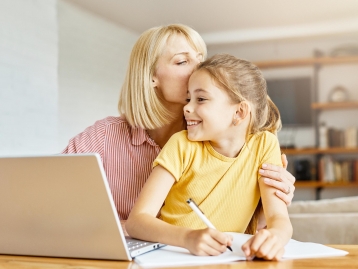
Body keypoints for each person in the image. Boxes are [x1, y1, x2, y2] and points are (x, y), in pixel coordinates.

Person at [62, 24, 295, 227]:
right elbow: (50, 193)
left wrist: (276, 196)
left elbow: (251, 221)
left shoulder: (226, 134)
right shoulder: (104, 136)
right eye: (183, 61)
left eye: (200, 59)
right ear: (151, 76)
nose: (198, 69)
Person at [126, 54, 292, 260]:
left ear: (239, 112)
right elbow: (137, 221)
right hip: (173, 258)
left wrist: (275, 236)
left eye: (201, 99)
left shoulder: (265, 144)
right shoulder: (181, 144)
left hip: (230, 260)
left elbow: (278, 217)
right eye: (189, 98)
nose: (187, 107)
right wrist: (188, 238)